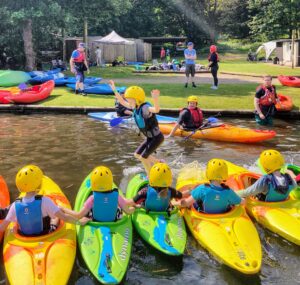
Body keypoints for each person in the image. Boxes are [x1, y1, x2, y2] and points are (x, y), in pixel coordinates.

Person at [0, 165, 89, 236]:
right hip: (45, 234)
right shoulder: (45, 201)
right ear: (38, 184)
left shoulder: (15, 205)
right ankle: (53, 226)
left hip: (24, 237)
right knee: (57, 210)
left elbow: (2, 228)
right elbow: (65, 218)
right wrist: (79, 222)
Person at [109, 80, 164, 175]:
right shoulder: (135, 107)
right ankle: (158, 163)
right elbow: (121, 101)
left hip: (157, 138)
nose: (128, 101)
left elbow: (156, 110)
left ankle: (150, 175)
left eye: (130, 99)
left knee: (143, 157)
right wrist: (114, 89)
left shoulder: (145, 108)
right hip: (150, 138)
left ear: (137, 99)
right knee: (137, 154)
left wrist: (155, 99)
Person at [60, 166, 135, 222]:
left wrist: (63, 209)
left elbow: (78, 215)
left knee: (88, 210)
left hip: (96, 221)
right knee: (118, 207)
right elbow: (128, 212)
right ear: (110, 182)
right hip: (114, 221)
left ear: (93, 183)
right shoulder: (117, 196)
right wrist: (133, 208)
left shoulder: (92, 198)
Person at [173, 159, 241, 214]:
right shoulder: (228, 191)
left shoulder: (202, 188)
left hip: (204, 215)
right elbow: (241, 202)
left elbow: (186, 203)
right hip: (223, 215)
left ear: (208, 172)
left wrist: (174, 203)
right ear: (225, 174)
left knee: (195, 194)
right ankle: (191, 192)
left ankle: (188, 192)